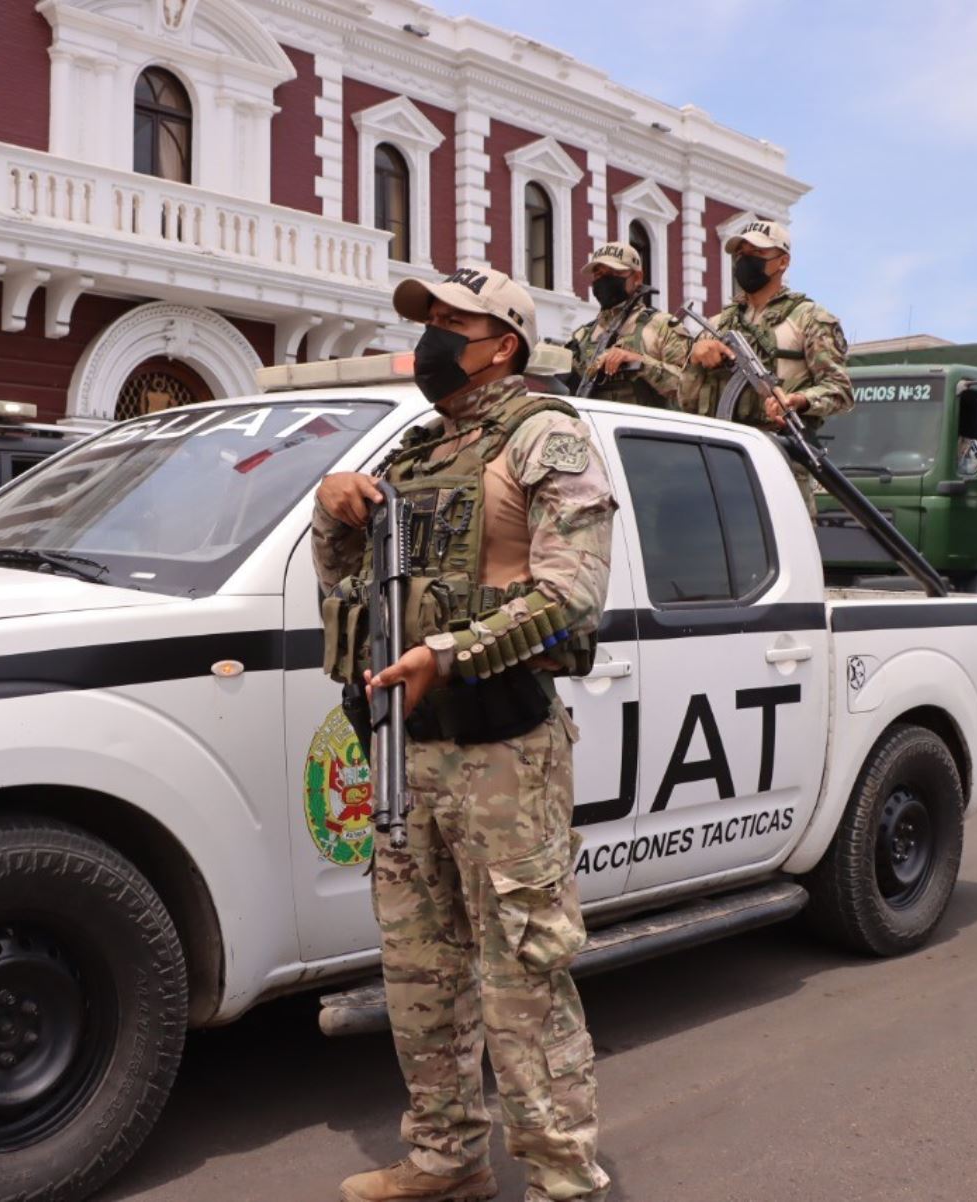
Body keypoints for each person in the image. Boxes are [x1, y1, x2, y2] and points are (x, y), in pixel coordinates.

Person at [314, 265, 615, 1202]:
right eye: (430, 320)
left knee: (522, 970)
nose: (435, 337)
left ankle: (565, 1178)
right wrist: (332, 515)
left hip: (501, 748)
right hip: (411, 753)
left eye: (456, 321)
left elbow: (572, 595)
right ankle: (447, 1162)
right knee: (419, 971)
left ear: (505, 345)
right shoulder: (411, 450)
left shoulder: (547, 435)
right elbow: (349, 589)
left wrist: (447, 654)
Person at [679, 219, 853, 509]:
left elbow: (841, 390)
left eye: (757, 255)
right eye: (741, 254)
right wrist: (696, 358)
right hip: (719, 457)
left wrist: (798, 400)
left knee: (786, 549)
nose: (745, 261)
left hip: (780, 456)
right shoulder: (717, 324)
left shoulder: (809, 318)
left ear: (782, 262)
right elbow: (685, 401)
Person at [561, 241, 687, 407]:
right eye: (598, 274)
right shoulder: (582, 336)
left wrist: (639, 361)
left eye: (613, 272)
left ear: (637, 278)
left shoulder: (663, 326)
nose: (604, 280)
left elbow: (688, 388)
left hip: (645, 431)